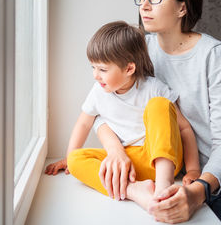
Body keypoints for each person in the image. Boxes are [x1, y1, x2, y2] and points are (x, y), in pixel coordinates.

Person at [94, 0, 221, 224]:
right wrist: (115, 151)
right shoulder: (139, 52)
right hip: (178, 178)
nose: (144, 6)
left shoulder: (215, 56)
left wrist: (199, 190)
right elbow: (102, 110)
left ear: (182, 8)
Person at [45, 21, 201, 211]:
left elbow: (184, 128)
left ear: (129, 69)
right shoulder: (98, 92)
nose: (96, 75)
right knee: (77, 160)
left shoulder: (153, 88)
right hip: (128, 164)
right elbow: (84, 124)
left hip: (161, 157)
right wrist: (68, 157)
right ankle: (133, 190)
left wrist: (193, 169)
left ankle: (163, 186)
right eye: (93, 68)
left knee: (159, 104)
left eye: (102, 69)